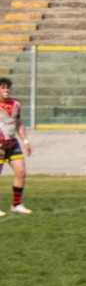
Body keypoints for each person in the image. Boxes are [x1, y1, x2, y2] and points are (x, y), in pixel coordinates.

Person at [0, 78, 31, 214]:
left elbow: (18, 123)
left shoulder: (16, 104)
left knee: (20, 172)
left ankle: (16, 205)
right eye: (3, 87)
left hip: (12, 143)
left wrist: (25, 141)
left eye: (8, 87)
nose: (6, 90)